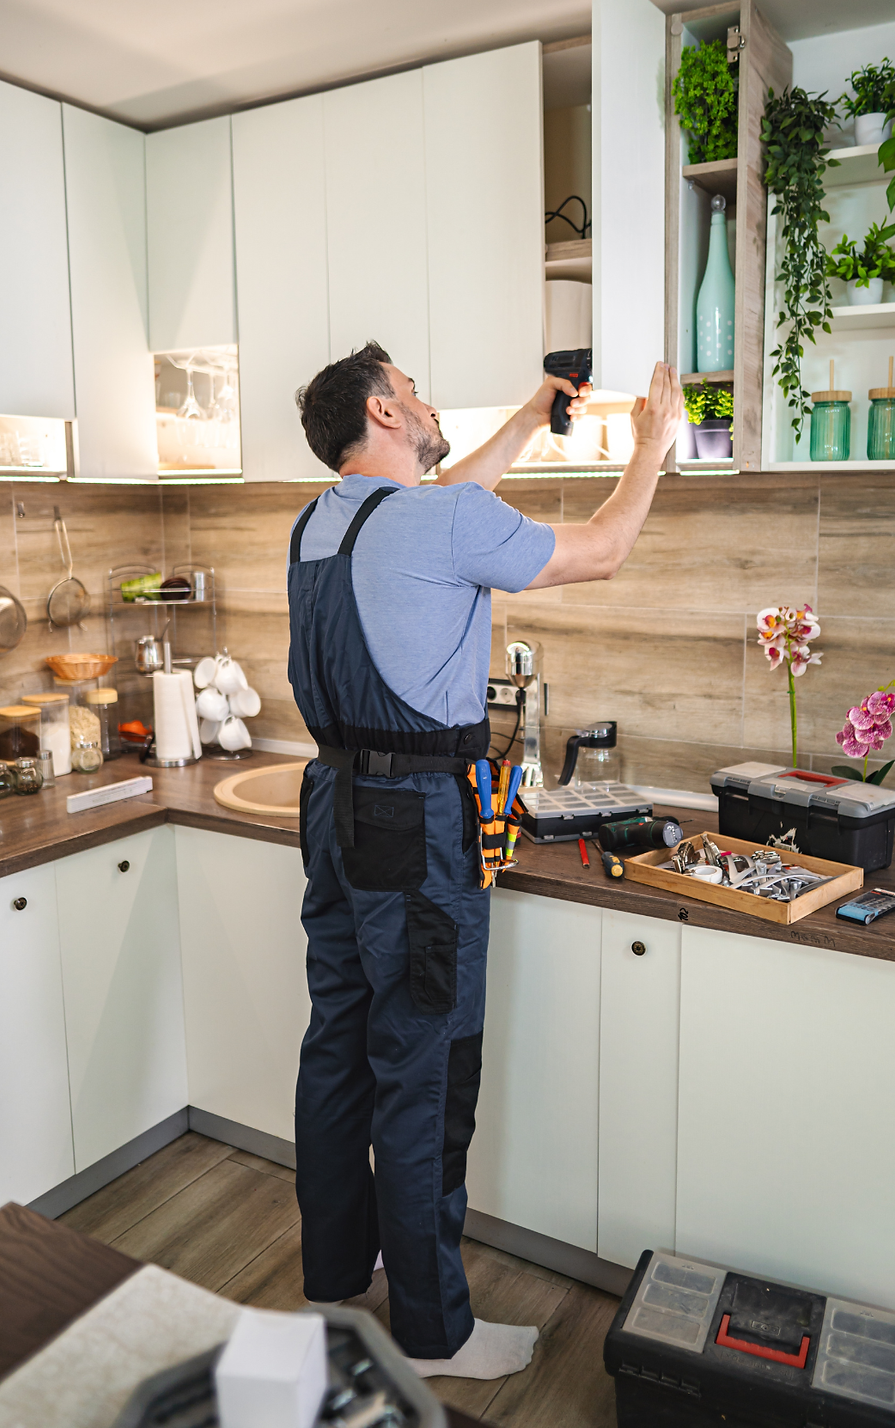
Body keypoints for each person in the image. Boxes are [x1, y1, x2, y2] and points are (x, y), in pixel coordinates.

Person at [287, 343, 682, 1380]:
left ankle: (334, 1277)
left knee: (338, 1046)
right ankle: (433, 1334)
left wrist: (528, 414)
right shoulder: (442, 519)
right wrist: (650, 445)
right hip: (415, 822)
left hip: (330, 805)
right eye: (412, 390)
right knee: (423, 1068)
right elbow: (601, 549)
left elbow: (442, 501)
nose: (426, 402)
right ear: (383, 410)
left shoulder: (322, 520)